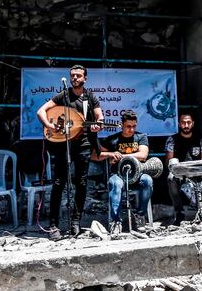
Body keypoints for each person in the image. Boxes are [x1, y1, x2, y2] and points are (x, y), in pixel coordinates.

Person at [36, 65, 103, 239]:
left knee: (81, 183)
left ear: (85, 78)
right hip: (62, 144)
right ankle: (53, 225)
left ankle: (75, 222)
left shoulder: (90, 97)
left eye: (78, 76)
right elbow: (40, 111)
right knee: (59, 183)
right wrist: (49, 125)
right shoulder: (63, 96)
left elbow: (99, 118)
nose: (75, 78)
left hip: (84, 144)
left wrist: (97, 125)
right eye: (72, 75)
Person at [92, 110, 152, 235]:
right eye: (128, 126)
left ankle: (140, 216)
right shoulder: (112, 139)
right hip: (118, 175)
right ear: (121, 125)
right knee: (116, 184)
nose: (131, 129)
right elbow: (95, 156)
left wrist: (122, 156)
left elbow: (143, 155)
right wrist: (110, 154)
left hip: (137, 175)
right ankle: (115, 221)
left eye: (134, 126)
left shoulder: (141, 137)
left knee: (147, 180)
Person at [166, 113, 202, 225]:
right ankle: (179, 213)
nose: (186, 125)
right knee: (171, 178)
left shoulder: (200, 138)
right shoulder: (172, 140)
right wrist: (177, 168)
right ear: (179, 124)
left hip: (199, 172)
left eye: (188, 122)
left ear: (193, 124)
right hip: (181, 173)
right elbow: (169, 162)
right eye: (183, 122)